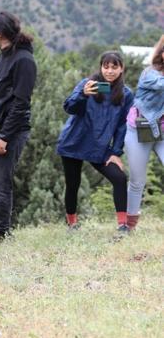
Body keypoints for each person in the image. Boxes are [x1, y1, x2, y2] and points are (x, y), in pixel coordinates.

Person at [0, 11, 37, 240]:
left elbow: (21, 104)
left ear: (0, 33)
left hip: (9, 132)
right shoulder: (4, 55)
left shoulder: (24, 60)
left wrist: (5, 137)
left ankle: (1, 232)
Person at [56, 51, 133, 231]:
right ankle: (72, 224)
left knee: (119, 178)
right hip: (74, 141)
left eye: (114, 67)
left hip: (99, 146)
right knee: (72, 184)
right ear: (100, 67)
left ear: (121, 69)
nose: (110, 71)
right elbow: (69, 107)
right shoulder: (87, 84)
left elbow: (123, 125)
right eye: (106, 66)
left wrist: (115, 152)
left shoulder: (126, 94)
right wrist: (82, 94)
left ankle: (123, 225)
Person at [125, 35, 164, 230]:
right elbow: (161, 85)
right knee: (137, 179)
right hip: (139, 130)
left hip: (162, 132)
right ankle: (129, 224)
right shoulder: (150, 74)